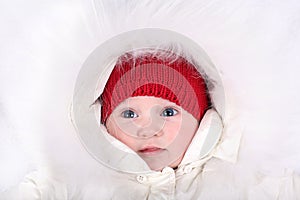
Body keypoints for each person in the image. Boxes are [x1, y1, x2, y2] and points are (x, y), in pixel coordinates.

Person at [1, 29, 299, 200]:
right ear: (102, 124)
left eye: (169, 111)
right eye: (129, 114)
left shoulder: (247, 183)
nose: (148, 130)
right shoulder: (74, 183)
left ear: (203, 120)